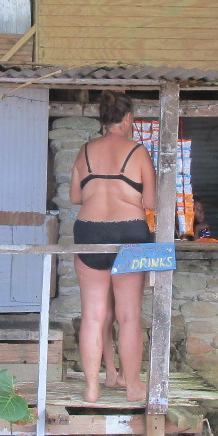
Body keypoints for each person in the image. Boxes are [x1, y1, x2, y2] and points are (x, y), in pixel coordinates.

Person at [69, 91, 156, 403]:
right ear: (129, 118)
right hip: (130, 232)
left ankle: (92, 387)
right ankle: (132, 385)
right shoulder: (139, 152)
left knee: (93, 314)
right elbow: (150, 202)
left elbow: (75, 197)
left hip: (89, 232)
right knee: (129, 314)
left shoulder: (85, 151)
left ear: (102, 119)